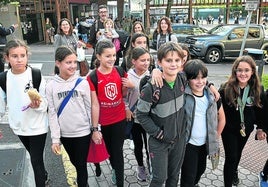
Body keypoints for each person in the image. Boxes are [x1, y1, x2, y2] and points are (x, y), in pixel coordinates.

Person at [46, 45, 99, 187]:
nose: (73, 66)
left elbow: (90, 108)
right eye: (68, 62)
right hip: (65, 134)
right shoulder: (51, 85)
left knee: (81, 165)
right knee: (75, 162)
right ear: (58, 63)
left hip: (83, 132)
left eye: (75, 62)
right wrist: (55, 138)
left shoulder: (82, 82)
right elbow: (52, 113)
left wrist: (95, 129)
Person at [136, 42, 188, 187]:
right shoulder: (151, 88)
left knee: (173, 177)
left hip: (179, 139)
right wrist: (159, 134)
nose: (173, 64)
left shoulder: (182, 79)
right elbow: (140, 115)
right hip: (159, 142)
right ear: (160, 62)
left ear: (182, 62)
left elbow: (200, 77)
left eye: (177, 60)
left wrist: (210, 86)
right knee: (159, 178)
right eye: (168, 60)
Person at [0, 39, 49, 186]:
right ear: (7, 58)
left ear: (27, 56)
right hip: (19, 125)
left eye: (22, 55)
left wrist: (38, 105)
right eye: (14, 56)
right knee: (33, 155)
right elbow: (0, 104)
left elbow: (46, 101)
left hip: (38, 125)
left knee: (36, 160)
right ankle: (44, 174)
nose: (19, 59)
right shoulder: (3, 78)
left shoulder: (35, 74)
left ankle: (41, 180)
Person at [87, 40, 132, 187]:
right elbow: (94, 104)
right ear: (98, 56)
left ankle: (120, 182)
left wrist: (130, 87)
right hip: (103, 122)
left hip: (119, 119)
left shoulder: (119, 71)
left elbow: (123, 94)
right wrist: (94, 128)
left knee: (117, 151)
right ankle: (109, 167)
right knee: (109, 151)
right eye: (108, 56)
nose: (112, 59)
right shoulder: (92, 77)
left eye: (114, 55)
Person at [219, 55, 268, 187]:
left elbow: (262, 111)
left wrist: (261, 128)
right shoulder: (225, 88)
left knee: (238, 153)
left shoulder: (258, 89)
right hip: (228, 129)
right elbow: (217, 109)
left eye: (246, 70)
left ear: (252, 71)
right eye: (239, 70)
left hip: (245, 129)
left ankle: (234, 171)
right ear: (235, 71)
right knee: (231, 157)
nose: (243, 73)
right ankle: (228, 183)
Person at [180, 59, 226, 187]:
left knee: (200, 170)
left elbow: (222, 119)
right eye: (195, 78)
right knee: (188, 176)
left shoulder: (212, 96)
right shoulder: (183, 94)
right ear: (188, 79)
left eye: (203, 77)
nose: (200, 81)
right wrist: (156, 70)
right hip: (188, 144)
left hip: (205, 144)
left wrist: (215, 137)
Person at [126, 47, 151, 181]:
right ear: (134, 61)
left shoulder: (152, 74)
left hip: (148, 119)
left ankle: (150, 165)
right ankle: (140, 166)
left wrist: (134, 87)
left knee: (149, 146)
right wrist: (126, 108)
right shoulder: (128, 76)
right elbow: (123, 96)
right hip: (135, 118)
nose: (146, 63)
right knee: (138, 145)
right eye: (142, 60)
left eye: (148, 60)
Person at [88, 4, 109, 69]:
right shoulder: (95, 25)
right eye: (101, 12)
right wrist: (97, 38)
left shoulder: (112, 24)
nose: (103, 14)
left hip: (110, 53)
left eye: (105, 12)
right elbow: (90, 41)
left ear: (107, 13)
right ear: (99, 13)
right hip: (99, 54)